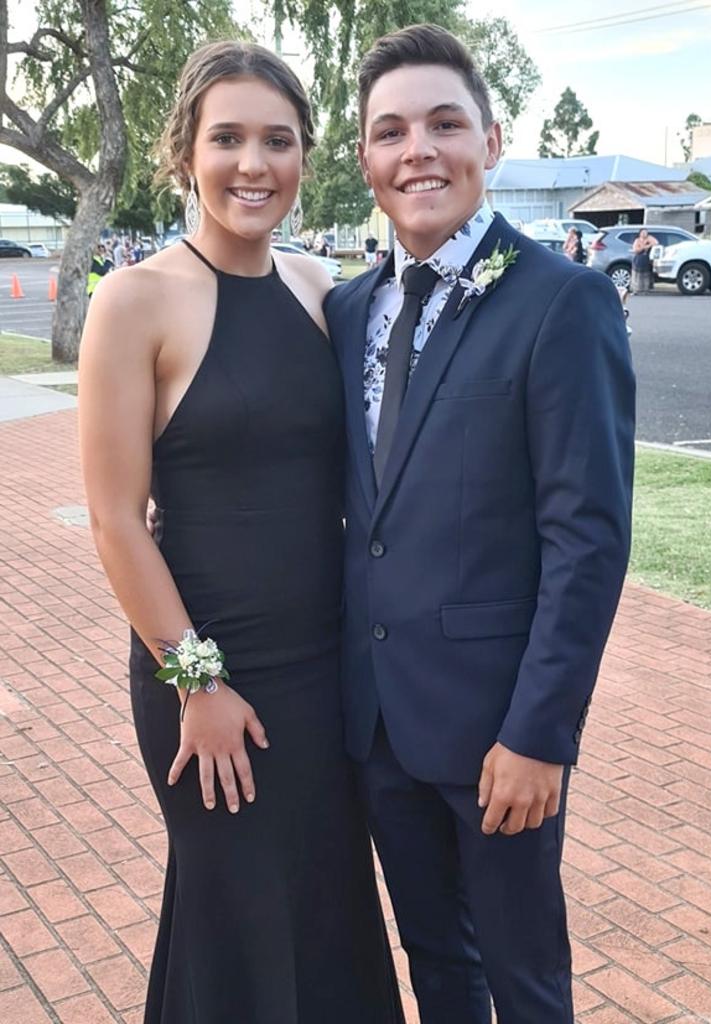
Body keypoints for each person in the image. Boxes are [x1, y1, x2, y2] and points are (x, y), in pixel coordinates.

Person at [79, 40, 403, 1024]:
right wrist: (198, 681)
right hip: (203, 674)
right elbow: (113, 521)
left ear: (307, 157)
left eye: (278, 140)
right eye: (227, 138)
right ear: (186, 152)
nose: (253, 164)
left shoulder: (324, 292)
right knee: (239, 913)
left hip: (323, 675)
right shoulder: (134, 301)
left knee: (326, 910)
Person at [323, 24, 635, 1024]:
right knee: (437, 967)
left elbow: (586, 537)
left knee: (524, 980)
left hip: (500, 732)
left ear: (491, 143)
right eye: (391, 131)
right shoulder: (346, 310)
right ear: (366, 158)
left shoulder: (563, 301)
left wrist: (541, 733)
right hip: (376, 722)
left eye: (444, 123)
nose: (419, 150)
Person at [631, 227, 658, 294]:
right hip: (639, 259)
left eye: (646, 232)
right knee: (637, 275)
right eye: (643, 232)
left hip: (647, 259)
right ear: (640, 233)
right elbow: (636, 249)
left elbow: (656, 243)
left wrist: (648, 243)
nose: (644, 234)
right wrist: (644, 247)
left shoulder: (649, 238)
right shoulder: (637, 240)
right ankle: (636, 290)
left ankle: (646, 289)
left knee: (646, 275)